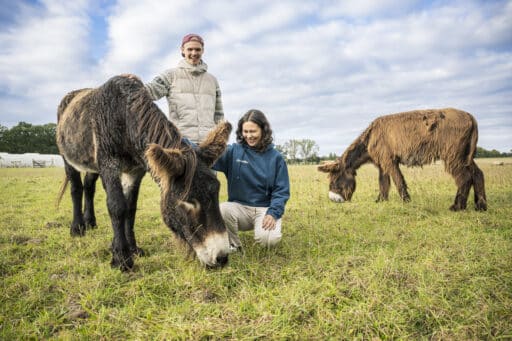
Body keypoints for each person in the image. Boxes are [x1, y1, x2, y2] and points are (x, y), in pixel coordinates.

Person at [213, 109, 290, 250]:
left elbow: (282, 191)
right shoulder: (233, 152)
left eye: (253, 131)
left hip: (264, 210)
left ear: (263, 130)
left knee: (268, 241)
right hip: (239, 208)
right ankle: (234, 245)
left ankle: (266, 229)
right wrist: (182, 142)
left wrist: (273, 213)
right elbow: (208, 154)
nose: (249, 136)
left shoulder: (276, 158)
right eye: (245, 131)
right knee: (222, 209)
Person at [143, 33, 224, 143]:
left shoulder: (212, 80)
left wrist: (219, 141)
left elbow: (219, 115)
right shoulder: (170, 75)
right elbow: (150, 91)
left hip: (208, 145)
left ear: (203, 51)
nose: (194, 53)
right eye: (190, 49)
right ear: (182, 50)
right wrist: (133, 82)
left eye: (197, 49)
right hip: (181, 143)